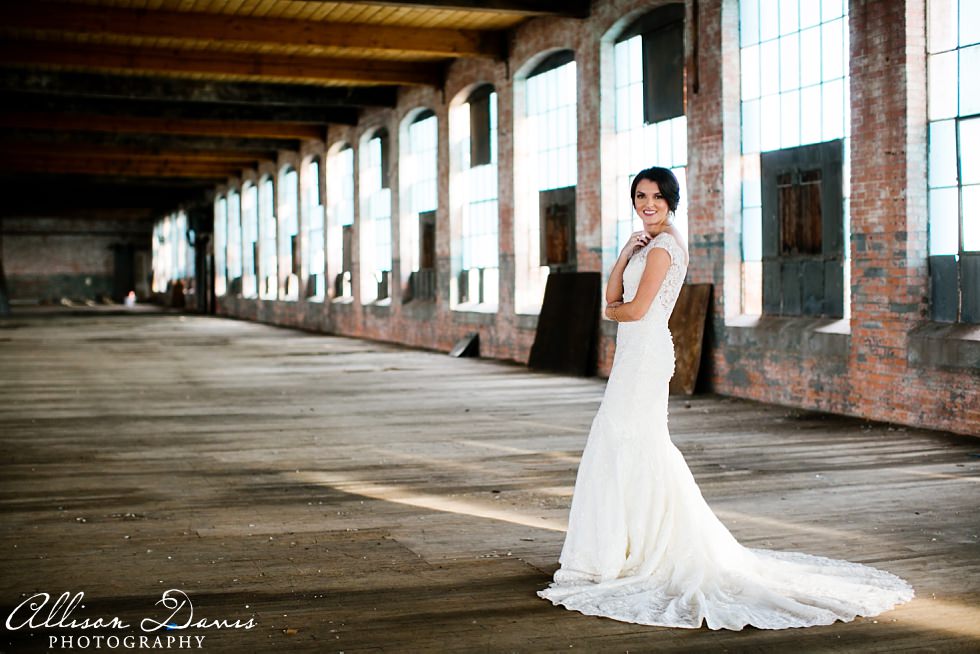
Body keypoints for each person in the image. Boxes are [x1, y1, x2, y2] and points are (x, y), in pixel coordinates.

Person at [536, 167, 914, 630]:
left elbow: (627, 310)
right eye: (640, 195)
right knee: (624, 444)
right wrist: (619, 260)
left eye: (657, 196)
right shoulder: (643, 245)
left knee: (627, 442)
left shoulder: (666, 248)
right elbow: (613, 299)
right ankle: (624, 544)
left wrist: (615, 307)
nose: (647, 203)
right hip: (633, 355)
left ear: (672, 201)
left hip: (644, 355)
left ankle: (637, 549)